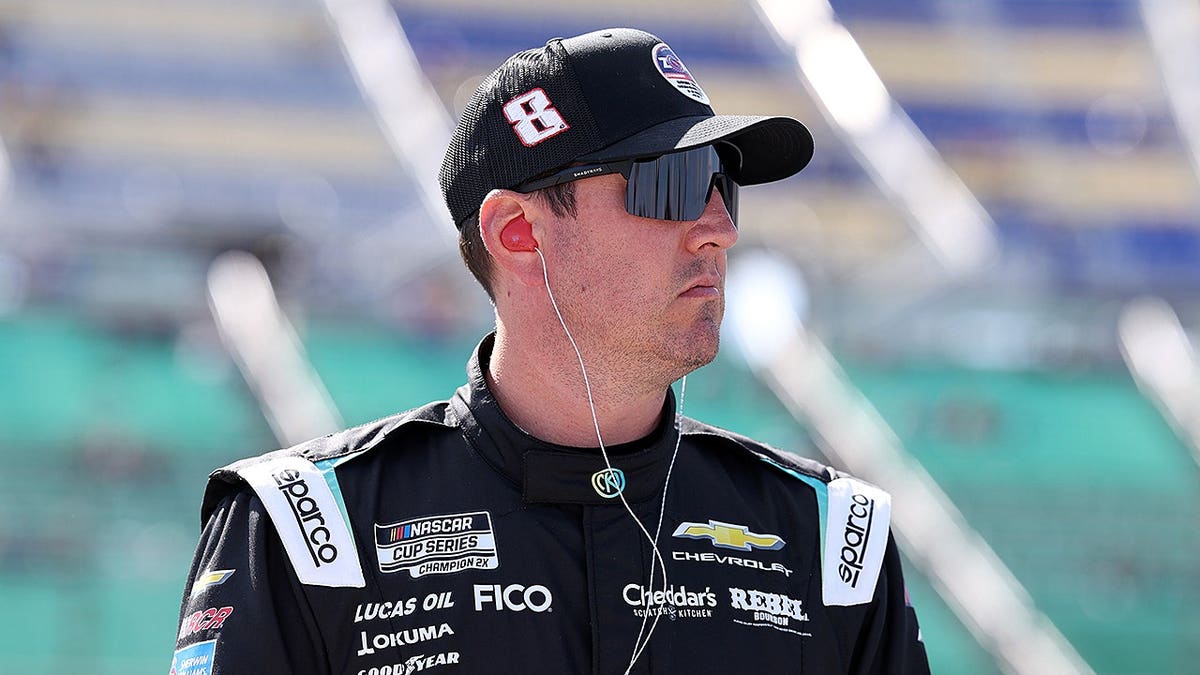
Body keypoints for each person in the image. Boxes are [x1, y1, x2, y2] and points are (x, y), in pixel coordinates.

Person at [172, 27, 930, 675]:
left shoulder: (833, 536)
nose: (718, 227)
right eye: (671, 182)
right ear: (517, 233)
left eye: (723, 185)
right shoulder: (302, 527)